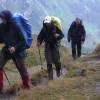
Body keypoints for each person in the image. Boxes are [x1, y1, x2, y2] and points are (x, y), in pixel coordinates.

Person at [0, 10, 30, 92]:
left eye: (3, 17)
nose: (2, 19)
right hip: (7, 50)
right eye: (1, 17)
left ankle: (27, 88)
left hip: (19, 51)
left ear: (8, 18)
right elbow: (1, 38)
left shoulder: (16, 26)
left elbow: (23, 41)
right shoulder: (2, 26)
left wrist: (15, 48)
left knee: (22, 70)